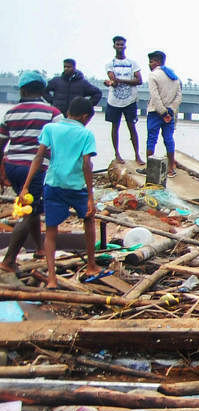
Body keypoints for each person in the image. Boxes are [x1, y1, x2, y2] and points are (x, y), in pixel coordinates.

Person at [19, 97, 100, 288]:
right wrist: (90, 197)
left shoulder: (50, 128)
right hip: (76, 186)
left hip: (53, 184)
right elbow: (86, 164)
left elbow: (39, 157)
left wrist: (25, 186)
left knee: (51, 231)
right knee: (88, 220)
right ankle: (90, 265)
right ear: (85, 116)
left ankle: (52, 279)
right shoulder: (86, 134)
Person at [0, 71, 62, 273]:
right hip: (34, 168)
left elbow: (1, 143)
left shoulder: (10, 113)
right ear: (42, 89)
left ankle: (39, 249)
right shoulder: (52, 113)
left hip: (12, 166)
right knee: (30, 211)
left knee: (32, 207)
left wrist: (1, 172)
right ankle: (9, 260)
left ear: (22, 90)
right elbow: (61, 142)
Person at [104, 35, 143, 165]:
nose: (120, 47)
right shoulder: (110, 64)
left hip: (130, 101)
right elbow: (113, 80)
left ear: (125, 46)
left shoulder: (133, 63)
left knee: (132, 127)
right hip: (114, 101)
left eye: (122, 45)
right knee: (115, 127)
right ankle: (117, 154)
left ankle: (137, 155)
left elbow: (139, 80)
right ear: (114, 46)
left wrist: (120, 80)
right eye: (118, 44)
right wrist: (111, 82)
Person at [145, 50, 181, 177]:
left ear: (157, 62)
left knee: (151, 139)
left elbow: (155, 96)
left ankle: (149, 169)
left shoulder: (153, 75)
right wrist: (170, 111)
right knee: (169, 139)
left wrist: (163, 112)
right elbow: (178, 97)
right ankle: (171, 169)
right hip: (170, 114)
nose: (149, 64)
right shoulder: (174, 77)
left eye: (151, 61)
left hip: (156, 112)